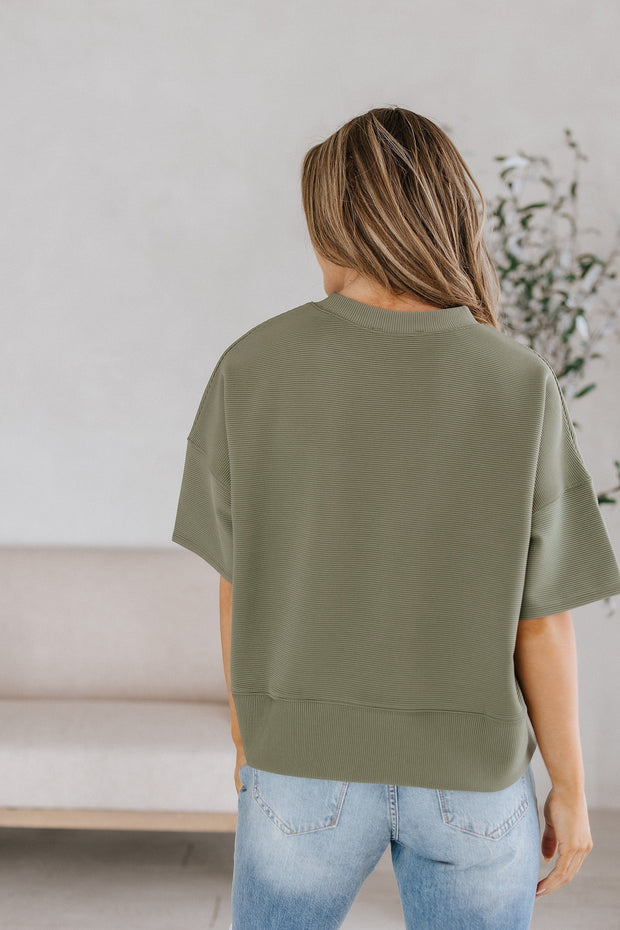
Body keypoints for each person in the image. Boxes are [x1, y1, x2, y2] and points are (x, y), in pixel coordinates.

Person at [172, 107, 620, 930]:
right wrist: (571, 787)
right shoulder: (518, 382)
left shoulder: (252, 366)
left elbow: (242, 583)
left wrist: (248, 739)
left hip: (299, 767)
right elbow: (541, 623)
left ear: (336, 222)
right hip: (472, 781)